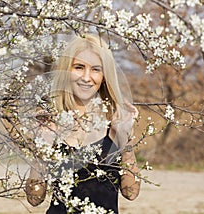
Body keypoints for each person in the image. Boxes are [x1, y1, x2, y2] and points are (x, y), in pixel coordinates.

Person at [25, 34, 141, 214]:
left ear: (105, 75)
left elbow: (131, 193)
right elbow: (34, 198)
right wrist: (42, 145)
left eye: (96, 69)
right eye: (79, 67)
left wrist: (125, 139)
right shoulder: (51, 121)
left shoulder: (115, 121)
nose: (87, 77)